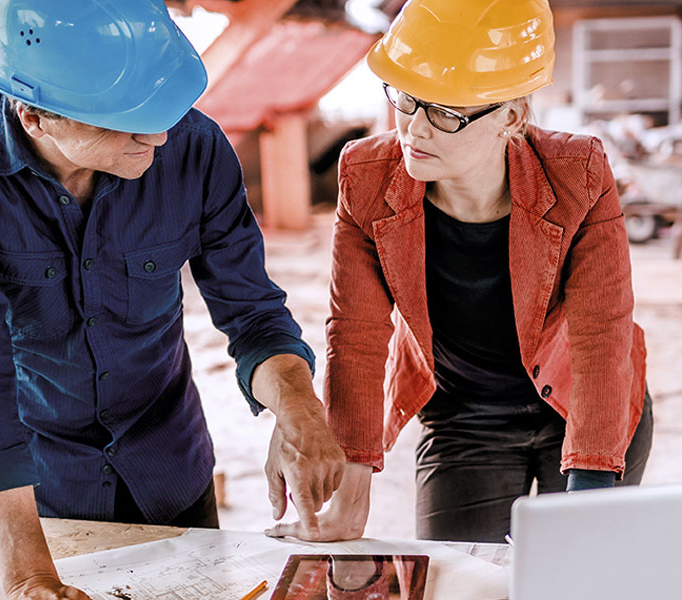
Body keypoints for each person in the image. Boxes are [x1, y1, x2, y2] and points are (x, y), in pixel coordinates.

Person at [0, 1, 346, 597]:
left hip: (170, 466)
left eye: (159, 110)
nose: (157, 134)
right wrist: (28, 578)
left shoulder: (193, 148)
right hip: (39, 496)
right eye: (126, 119)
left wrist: (298, 406)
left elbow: (252, 311)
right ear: (34, 116)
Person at [268, 0, 653, 544]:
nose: (414, 129)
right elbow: (355, 335)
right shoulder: (366, 178)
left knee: (576, 572)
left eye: (446, 111)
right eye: (407, 99)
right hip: (463, 416)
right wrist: (351, 492)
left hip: (580, 403)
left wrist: (590, 488)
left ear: (513, 117)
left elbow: (601, 333)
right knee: (460, 579)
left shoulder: (577, 174)